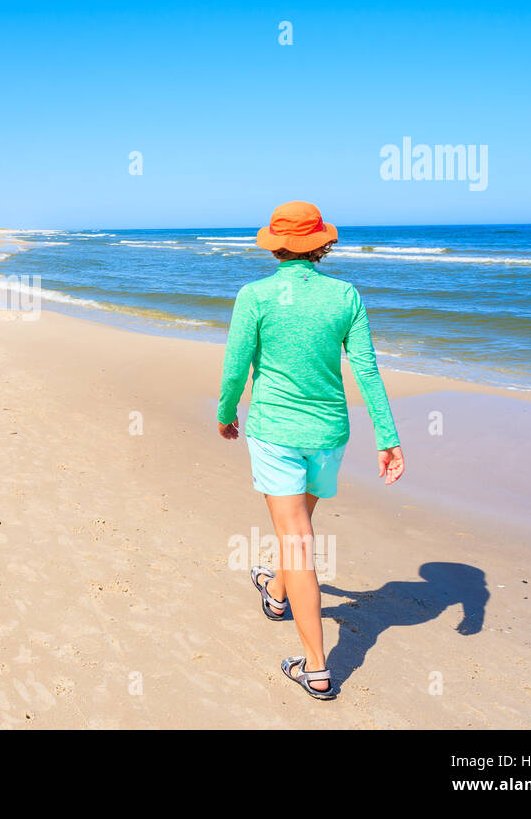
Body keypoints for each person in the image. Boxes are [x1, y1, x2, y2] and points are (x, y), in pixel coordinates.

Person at [216, 201, 405, 700]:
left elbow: (237, 365)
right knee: (297, 527)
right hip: (328, 435)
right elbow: (367, 370)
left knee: (296, 541)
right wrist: (388, 437)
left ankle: (317, 667)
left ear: (276, 244)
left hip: (276, 432)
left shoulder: (255, 296)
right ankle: (277, 594)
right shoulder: (345, 295)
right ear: (321, 243)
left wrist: (225, 411)